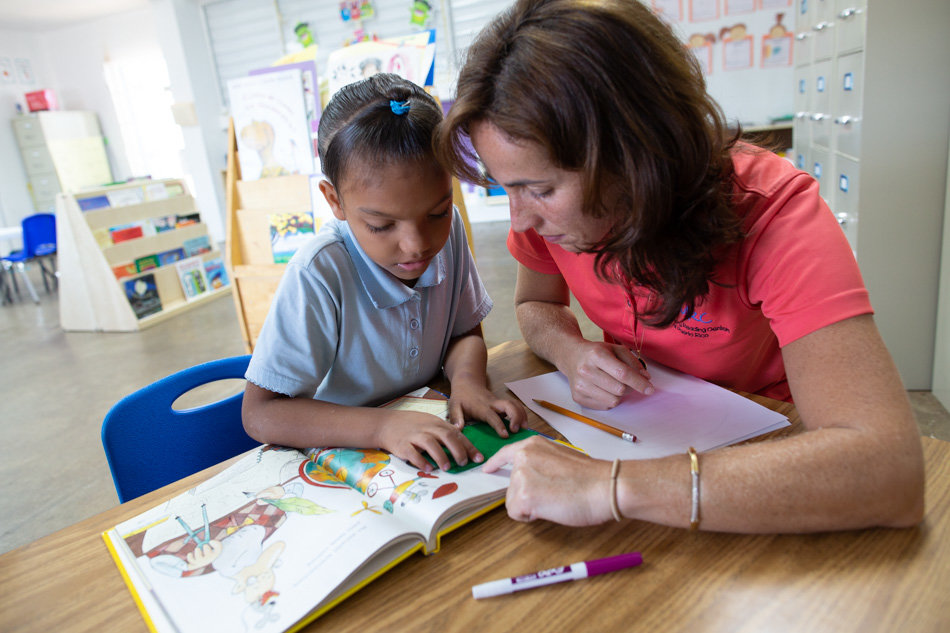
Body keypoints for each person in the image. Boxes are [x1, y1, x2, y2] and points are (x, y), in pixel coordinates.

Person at [433, 0, 924, 532]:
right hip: (646, 438)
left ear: (635, 157)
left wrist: (609, 485)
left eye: (541, 189)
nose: (521, 220)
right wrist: (572, 352)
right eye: (508, 187)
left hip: (774, 450)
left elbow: (886, 468)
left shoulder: (775, 213)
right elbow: (533, 305)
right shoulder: (554, 220)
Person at [243, 73, 525, 473]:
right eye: (381, 225)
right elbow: (262, 413)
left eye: (437, 212)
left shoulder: (452, 231)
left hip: (424, 438)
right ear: (334, 200)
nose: (417, 245)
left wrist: (467, 383)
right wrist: (383, 426)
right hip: (346, 455)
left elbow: (464, 332)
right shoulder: (320, 271)